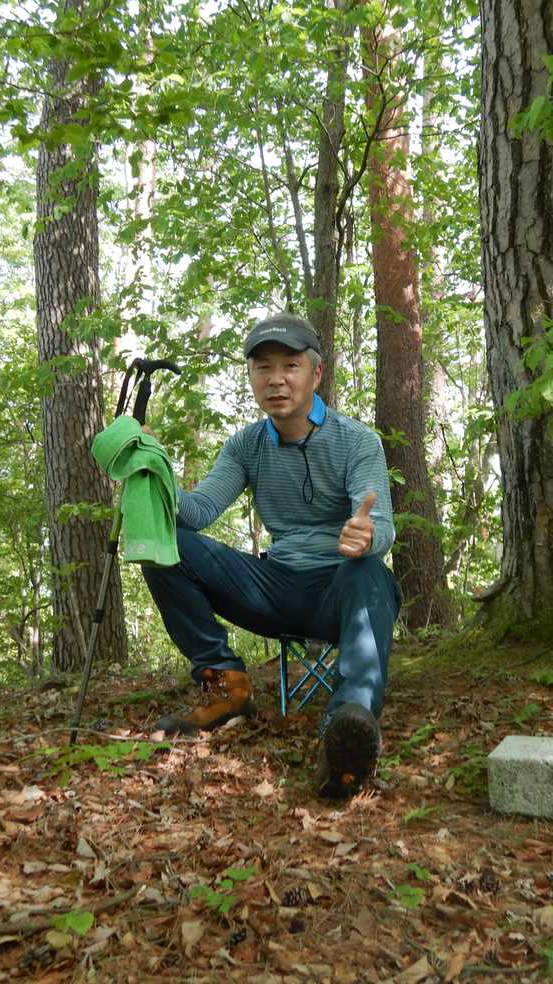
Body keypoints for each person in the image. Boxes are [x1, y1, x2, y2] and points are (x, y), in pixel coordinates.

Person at [141, 312, 400, 799]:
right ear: (252, 377)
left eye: (290, 366)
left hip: (343, 589)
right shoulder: (246, 445)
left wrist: (366, 537)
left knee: (368, 571)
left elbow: (381, 524)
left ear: (315, 374)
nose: (276, 380)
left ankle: (349, 723)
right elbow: (197, 512)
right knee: (164, 541)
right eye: (263, 368)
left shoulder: (357, 441)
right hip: (275, 586)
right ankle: (226, 686)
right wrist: (156, 472)